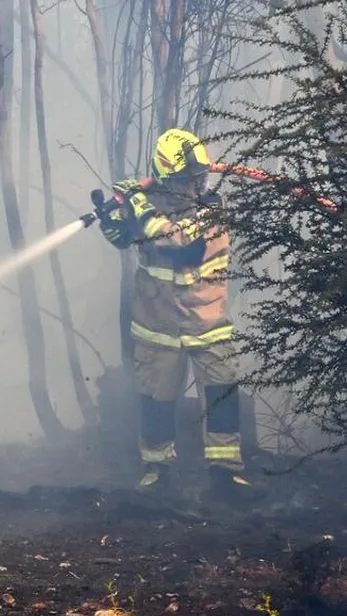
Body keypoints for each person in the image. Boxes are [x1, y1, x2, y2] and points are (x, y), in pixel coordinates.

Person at [92, 128, 249, 502]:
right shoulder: (148, 206)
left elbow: (178, 241)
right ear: (166, 176)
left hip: (207, 324)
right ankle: (157, 469)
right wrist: (112, 216)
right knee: (155, 399)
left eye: (199, 178)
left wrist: (138, 205)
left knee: (222, 394)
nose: (196, 185)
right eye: (186, 179)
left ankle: (226, 473)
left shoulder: (212, 210)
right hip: (157, 326)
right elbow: (123, 238)